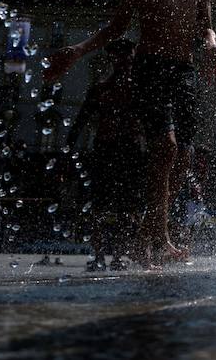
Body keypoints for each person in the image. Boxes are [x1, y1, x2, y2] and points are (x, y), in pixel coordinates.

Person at [46, 0, 216, 266]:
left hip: (184, 73)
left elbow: (205, 27)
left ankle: (146, 237)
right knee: (165, 147)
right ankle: (159, 239)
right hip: (149, 70)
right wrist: (78, 51)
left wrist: (209, 45)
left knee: (182, 159)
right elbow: (116, 28)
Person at [64, 37, 147, 270]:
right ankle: (102, 255)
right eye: (121, 56)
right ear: (113, 59)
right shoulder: (101, 88)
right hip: (107, 150)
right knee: (102, 207)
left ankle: (117, 255)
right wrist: (69, 148)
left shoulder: (138, 88)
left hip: (130, 152)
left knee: (126, 209)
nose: (126, 60)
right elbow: (81, 121)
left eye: (129, 55)